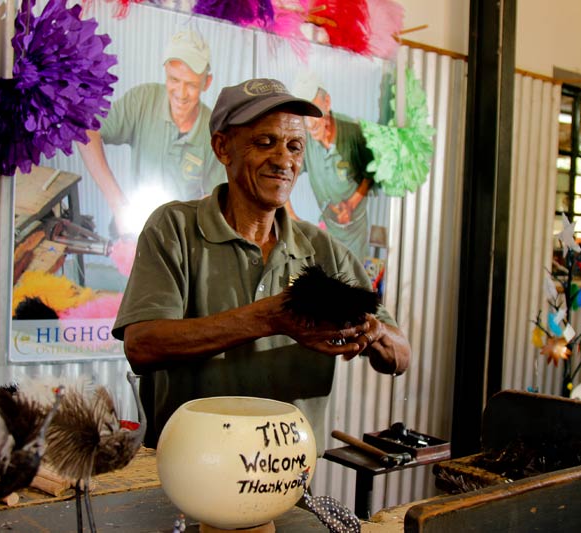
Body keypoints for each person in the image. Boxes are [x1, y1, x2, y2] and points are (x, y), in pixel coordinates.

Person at [112, 78, 411, 450]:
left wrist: (373, 333)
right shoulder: (174, 229)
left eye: (294, 146)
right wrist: (270, 318)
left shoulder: (323, 250)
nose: (284, 160)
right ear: (222, 147)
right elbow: (141, 346)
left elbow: (400, 356)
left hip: (287, 472)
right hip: (191, 467)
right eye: (265, 142)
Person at [77, 28, 224, 236]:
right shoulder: (142, 101)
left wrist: (193, 219)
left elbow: (218, 197)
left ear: (206, 83)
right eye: (174, 80)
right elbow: (85, 130)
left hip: (180, 235)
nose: (181, 94)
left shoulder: (215, 133)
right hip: (137, 226)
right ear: (165, 71)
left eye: (191, 84)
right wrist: (117, 203)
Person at [290, 71, 375, 260]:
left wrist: (351, 204)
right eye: (303, 115)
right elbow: (284, 176)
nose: (309, 123)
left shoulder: (354, 132)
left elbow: (370, 173)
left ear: (327, 103)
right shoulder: (304, 140)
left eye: (313, 111)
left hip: (354, 233)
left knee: (352, 276)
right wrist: (292, 218)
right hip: (327, 229)